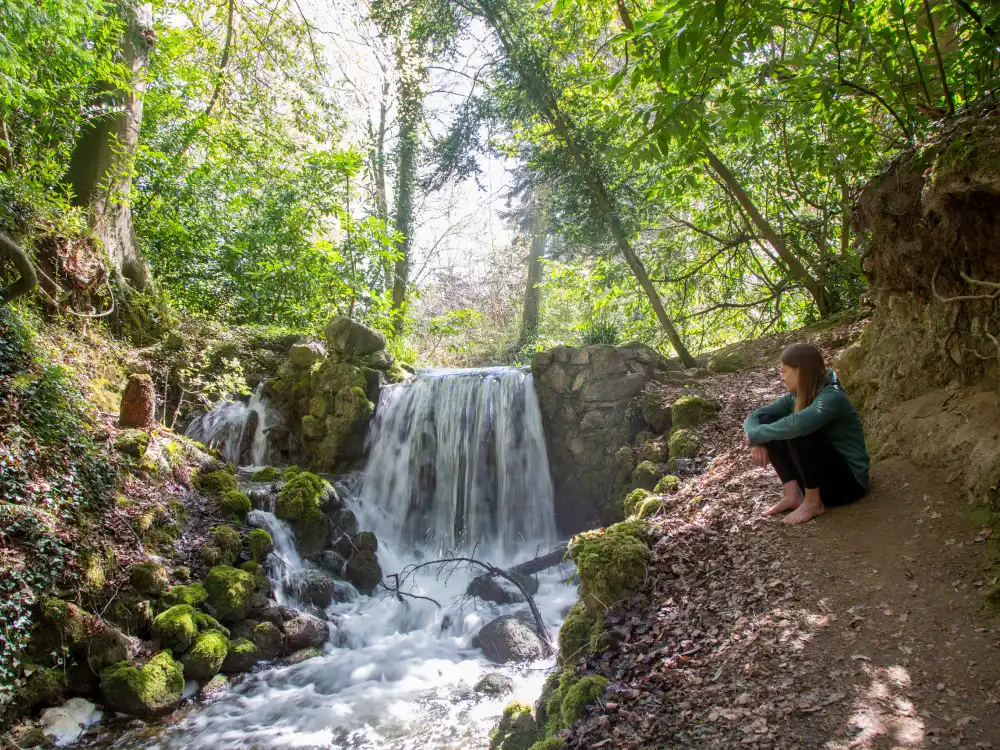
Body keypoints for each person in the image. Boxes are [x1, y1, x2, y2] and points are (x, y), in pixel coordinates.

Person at [743, 342, 870, 524]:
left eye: (784, 371)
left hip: (849, 485)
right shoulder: (797, 396)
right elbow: (755, 417)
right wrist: (756, 440)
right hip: (824, 482)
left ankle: (813, 503)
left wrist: (758, 435)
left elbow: (799, 424)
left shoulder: (832, 397)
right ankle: (794, 494)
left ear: (800, 372)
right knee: (767, 422)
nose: (781, 377)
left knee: (797, 429)